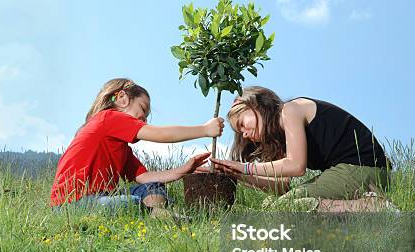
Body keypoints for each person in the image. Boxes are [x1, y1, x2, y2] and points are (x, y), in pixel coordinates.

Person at [50, 78, 224, 215]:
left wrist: (183, 170)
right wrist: (205, 129)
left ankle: (155, 214)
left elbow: (145, 177)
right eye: (142, 108)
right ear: (122, 98)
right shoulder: (108, 118)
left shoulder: (121, 148)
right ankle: (156, 214)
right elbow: (162, 135)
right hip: (71, 205)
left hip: (101, 201)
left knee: (153, 186)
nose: (144, 119)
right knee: (130, 202)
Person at [209, 86, 393, 211]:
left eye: (242, 124)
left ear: (255, 105)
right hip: (350, 171)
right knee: (269, 204)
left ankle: (373, 207)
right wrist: (236, 174)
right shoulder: (279, 136)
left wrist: (245, 167)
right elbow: (281, 186)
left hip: (364, 168)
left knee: (283, 207)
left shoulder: (290, 110)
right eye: (240, 133)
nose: (245, 135)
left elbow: (296, 166)